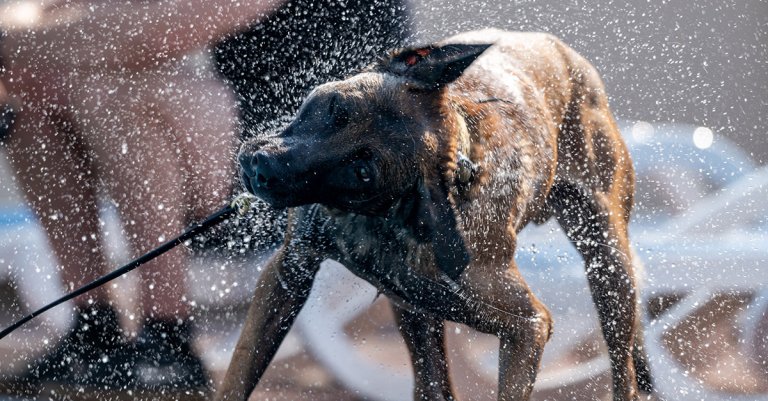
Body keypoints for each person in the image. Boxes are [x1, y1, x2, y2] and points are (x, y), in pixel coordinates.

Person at [0, 0, 285, 394]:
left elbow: (145, 37)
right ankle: (93, 329)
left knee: (114, 90)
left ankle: (169, 336)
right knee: (33, 99)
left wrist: (12, 43)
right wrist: (26, 45)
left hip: (283, 155)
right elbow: (40, 10)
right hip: (206, 123)